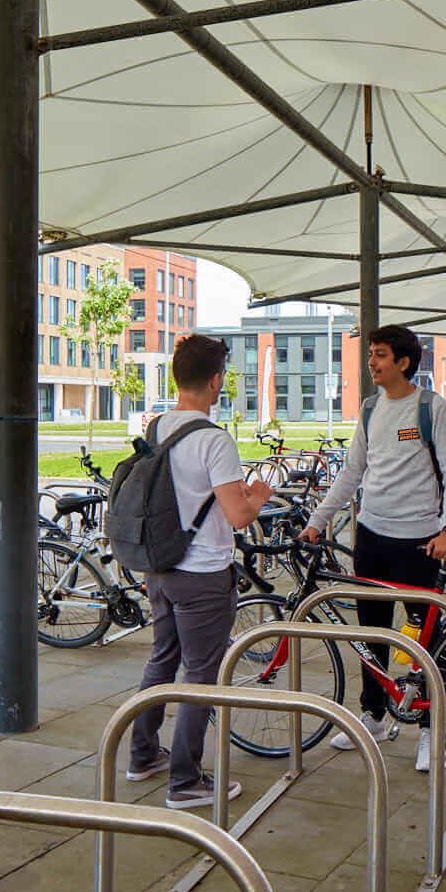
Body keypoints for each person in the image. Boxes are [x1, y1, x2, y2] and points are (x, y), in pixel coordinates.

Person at [300, 324, 446, 772]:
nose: (372, 362)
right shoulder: (372, 408)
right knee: (371, 633)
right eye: (371, 354)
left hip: (421, 542)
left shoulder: (432, 409)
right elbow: (351, 472)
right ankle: (373, 715)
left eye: (379, 355)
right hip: (371, 537)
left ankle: (431, 728)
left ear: (403, 362)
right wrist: (319, 521)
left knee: (426, 639)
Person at [129, 335, 275, 808]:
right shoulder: (213, 440)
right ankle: (185, 781)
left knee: (162, 658)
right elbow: (238, 516)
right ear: (215, 382)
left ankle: (142, 754)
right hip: (205, 574)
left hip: (160, 567)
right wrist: (259, 495)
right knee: (201, 675)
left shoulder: (156, 430)